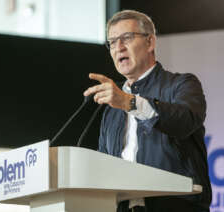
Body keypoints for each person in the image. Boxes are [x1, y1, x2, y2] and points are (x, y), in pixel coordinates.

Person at [83, 10, 212, 212]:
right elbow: (104, 163)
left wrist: (129, 102)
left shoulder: (181, 85)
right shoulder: (112, 108)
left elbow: (185, 121)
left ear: (150, 42)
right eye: (113, 42)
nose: (119, 47)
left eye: (126, 38)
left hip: (176, 206)